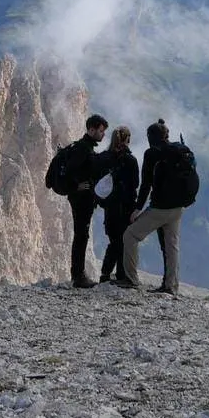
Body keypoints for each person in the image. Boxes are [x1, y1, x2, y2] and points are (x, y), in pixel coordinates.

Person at [121, 118, 188, 296]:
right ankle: (171, 286)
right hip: (179, 207)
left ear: (151, 137)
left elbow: (146, 185)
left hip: (160, 208)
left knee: (130, 235)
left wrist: (137, 209)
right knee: (171, 246)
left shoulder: (152, 154)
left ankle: (131, 279)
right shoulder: (180, 150)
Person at [66, 113, 110, 288]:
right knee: (81, 235)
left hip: (83, 199)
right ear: (91, 130)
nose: (102, 134)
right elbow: (71, 170)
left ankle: (78, 274)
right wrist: (77, 186)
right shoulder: (83, 148)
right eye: (100, 130)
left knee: (82, 234)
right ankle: (78, 276)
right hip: (80, 199)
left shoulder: (86, 147)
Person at [97, 126, 140, 284]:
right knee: (124, 241)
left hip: (109, 208)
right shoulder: (130, 160)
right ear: (127, 139)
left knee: (114, 240)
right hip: (126, 208)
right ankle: (121, 274)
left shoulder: (103, 157)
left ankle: (105, 274)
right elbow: (135, 184)